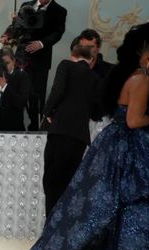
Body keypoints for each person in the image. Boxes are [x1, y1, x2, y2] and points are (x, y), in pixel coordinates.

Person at [0, 23, 149, 250]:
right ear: (147, 56)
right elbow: (133, 120)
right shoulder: (140, 78)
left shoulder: (132, 76)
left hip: (113, 147)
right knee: (104, 209)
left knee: (97, 208)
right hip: (125, 151)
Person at [41, 44, 98, 215]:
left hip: (61, 130)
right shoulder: (95, 77)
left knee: (52, 182)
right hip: (80, 136)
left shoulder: (66, 65)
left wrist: (47, 112)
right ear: (91, 60)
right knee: (69, 183)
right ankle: (64, 228)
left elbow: (57, 90)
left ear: (72, 55)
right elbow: (95, 110)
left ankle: (50, 229)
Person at [6, 0, 67, 131]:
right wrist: (7, 35)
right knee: (15, 89)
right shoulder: (25, 5)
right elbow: (16, 27)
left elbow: (58, 32)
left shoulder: (60, 10)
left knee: (36, 97)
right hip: (21, 56)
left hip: (41, 61)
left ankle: (35, 128)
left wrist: (42, 43)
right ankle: (16, 127)